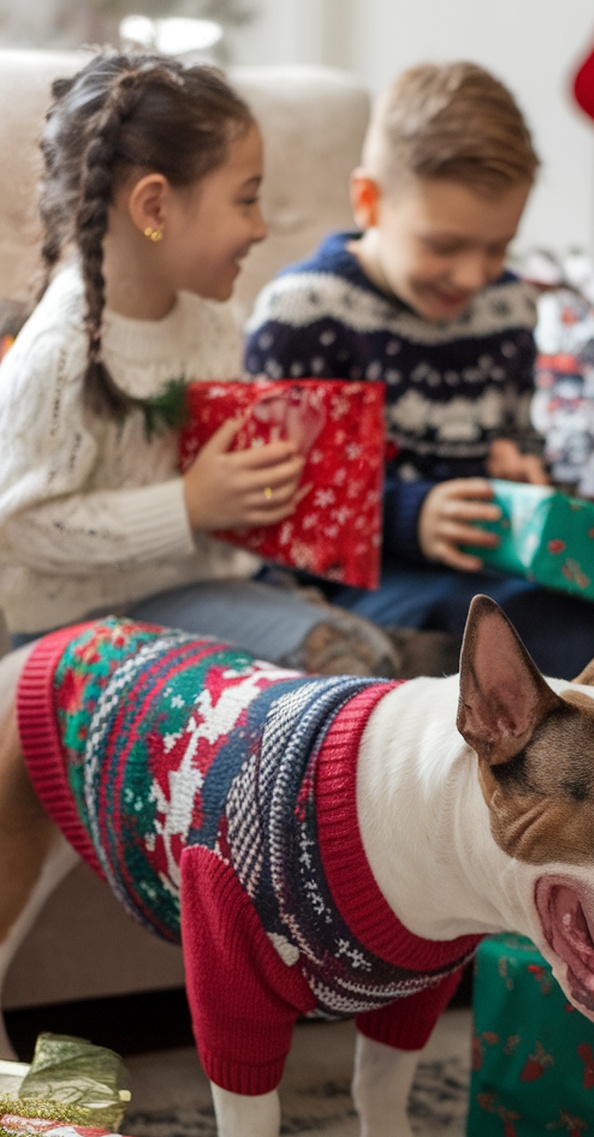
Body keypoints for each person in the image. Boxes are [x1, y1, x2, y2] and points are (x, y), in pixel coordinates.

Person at [0, 50, 400, 677]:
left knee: (366, 650)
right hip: (74, 632)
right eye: (246, 201)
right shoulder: (60, 350)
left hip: (193, 595)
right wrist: (186, 506)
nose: (262, 228)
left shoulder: (214, 318)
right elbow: (16, 527)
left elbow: (225, 474)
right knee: (338, 660)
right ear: (154, 209)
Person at [244, 60, 549, 638]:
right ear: (369, 201)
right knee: (514, 628)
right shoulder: (305, 314)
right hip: (347, 587)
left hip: (485, 570)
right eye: (445, 245)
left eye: (499, 248)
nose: (472, 275)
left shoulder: (508, 307)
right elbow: (273, 503)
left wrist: (523, 471)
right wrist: (408, 518)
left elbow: (519, 433)